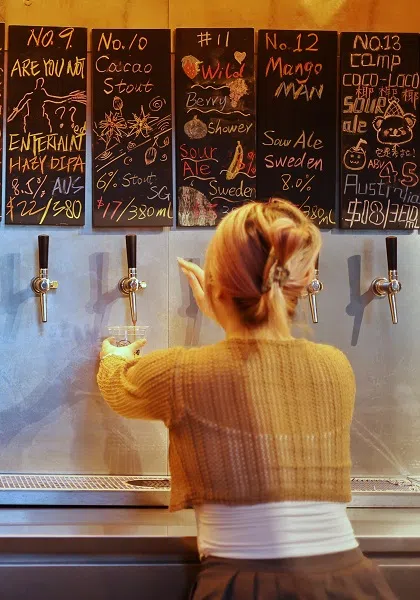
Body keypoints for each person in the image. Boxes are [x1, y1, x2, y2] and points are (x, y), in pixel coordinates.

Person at [97, 199, 397, 599]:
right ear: (304, 283)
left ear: (216, 287)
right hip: (351, 580)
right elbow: (257, 375)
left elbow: (118, 388)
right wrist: (226, 312)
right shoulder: (335, 367)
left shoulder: (180, 373)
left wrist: (113, 357)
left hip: (248, 584)